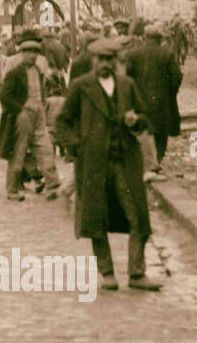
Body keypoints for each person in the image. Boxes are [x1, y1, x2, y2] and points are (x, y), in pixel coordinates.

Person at [54, 38, 161, 291]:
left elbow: (146, 118)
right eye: (100, 59)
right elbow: (62, 122)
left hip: (125, 161)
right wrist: (79, 146)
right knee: (96, 219)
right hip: (94, 163)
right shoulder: (81, 87)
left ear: (115, 61)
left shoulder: (127, 85)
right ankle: (107, 273)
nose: (104, 64)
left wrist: (136, 121)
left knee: (138, 217)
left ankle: (137, 273)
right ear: (93, 61)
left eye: (108, 59)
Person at [0, 34, 61, 202]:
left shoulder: (38, 71)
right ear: (22, 53)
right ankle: (12, 189)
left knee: (46, 148)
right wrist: (21, 109)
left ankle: (52, 185)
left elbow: (41, 91)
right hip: (23, 116)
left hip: (38, 113)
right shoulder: (15, 73)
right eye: (28, 51)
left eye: (35, 52)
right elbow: (5, 96)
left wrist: (42, 105)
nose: (32, 55)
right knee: (18, 152)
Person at [125, 24, 182, 177]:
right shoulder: (166, 54)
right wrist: (171, 92)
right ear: (159, 39)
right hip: (162, 100)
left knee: (143, 129)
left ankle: (147, 163)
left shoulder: (134, 54)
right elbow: (176, 77)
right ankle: (158, 159)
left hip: (139, 98)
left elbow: (127, 77)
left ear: (145, 37)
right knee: (161, 131)